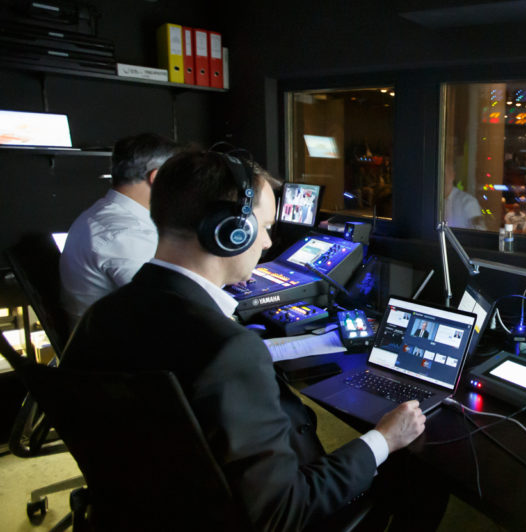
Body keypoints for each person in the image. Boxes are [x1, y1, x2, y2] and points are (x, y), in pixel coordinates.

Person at [61, 150, 435, 531]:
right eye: (265, 226)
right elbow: (281, 512)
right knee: (421, 482)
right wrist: (383, 439)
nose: (269, 243)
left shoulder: (99, 317)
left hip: (143, 510)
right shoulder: (229, 351)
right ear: (229, 230)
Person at [60, 133, 181, 326]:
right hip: (119, 349)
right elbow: (169, 310)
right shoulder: (123, 233)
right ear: (157, 177)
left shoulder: (107, 216)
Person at [442, 158, 484, 230]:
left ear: (452, 175)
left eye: (443, 174)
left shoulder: (469, 202)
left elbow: (480, 233)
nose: (440, 178)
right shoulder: (432, 200)